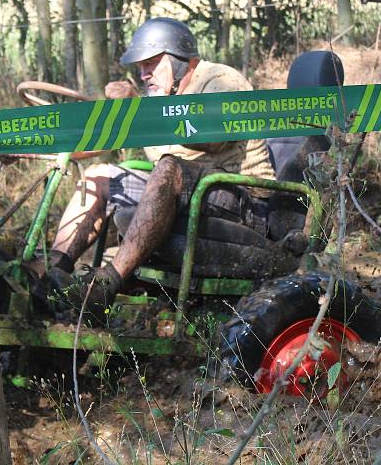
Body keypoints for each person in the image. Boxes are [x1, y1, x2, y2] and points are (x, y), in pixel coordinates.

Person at [34, 17, 275, 317]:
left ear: (177, 61)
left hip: (242, 197)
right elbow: (100, 144)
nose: (144, 74)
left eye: (151, 64)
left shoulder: (219, 80)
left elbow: (214, 138)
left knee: (168, 166)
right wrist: (36, 149)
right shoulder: (158, 99)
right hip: (185, 191)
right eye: (140, 68)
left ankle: (106, 285)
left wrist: (145, 109)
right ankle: (53, 279)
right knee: (100, 175)